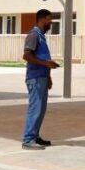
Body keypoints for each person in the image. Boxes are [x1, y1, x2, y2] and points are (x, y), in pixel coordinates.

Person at [21, 9, 59, 150]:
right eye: (49, 19)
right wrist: (46, 64)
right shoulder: (33, 35)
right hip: (35, 78)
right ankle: (28, 140)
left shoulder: (41, 37)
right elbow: (26, 55)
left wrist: (48, 76)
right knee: (35, 109)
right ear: (42, 19)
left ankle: (35, 136)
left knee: (41, 110)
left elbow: (43, 58)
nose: (51, 22)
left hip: (42, 78)